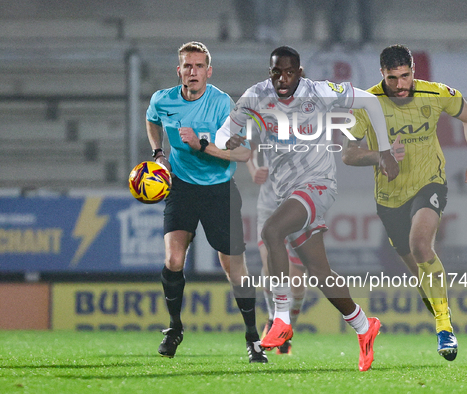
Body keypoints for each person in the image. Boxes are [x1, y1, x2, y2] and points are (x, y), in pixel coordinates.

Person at [216, 46, 399, 371]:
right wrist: (229, 141)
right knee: (320, 273)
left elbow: (370, 101)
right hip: (287, 191)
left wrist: (383, 149)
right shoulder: (255, 96)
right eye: (276, 73)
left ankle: (282, 319)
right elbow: (223, 135)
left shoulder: (321, 92)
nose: (282, 79)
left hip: (318, 184)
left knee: (272, 231)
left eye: (289, 72)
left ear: (300, 73)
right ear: (270, 73)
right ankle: (363, 325)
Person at [342, 44, 467, 361]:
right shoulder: (367, 104)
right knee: (420, 276)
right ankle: (440, 317)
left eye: (405, 76)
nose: (400, 85)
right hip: (389, 198)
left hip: (429, 182)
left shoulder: (435, 94)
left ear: (413, 72)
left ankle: (445, 328)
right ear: (382, 74)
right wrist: (380, 156)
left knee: (421, 245)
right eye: (392, 78)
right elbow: (348, 154)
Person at [145, 41, 267, 363]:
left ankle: (253, 337)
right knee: (173, 259)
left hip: (219, 191)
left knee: (234, 269)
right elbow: (152, 119)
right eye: (188, 66)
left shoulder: (223, 105)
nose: (193, 72)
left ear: (208, 72)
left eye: (199, 66)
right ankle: (174, 328)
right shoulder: (163, 99)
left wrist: (205, 147)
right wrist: (158, 153)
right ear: (179, 70)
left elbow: (243, 153)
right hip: (181, 187)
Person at [246, 146, 307, 355]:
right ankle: (275, 320)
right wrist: (253, 168)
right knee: (270, 265)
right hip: (269, 207)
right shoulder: (266, 117)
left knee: (297, 281)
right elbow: (249, 147)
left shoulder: (312, 122)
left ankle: (287, 331)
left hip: (302, 207)